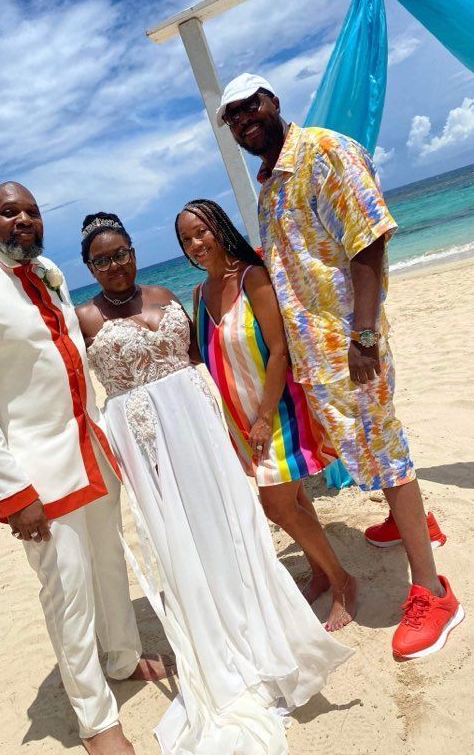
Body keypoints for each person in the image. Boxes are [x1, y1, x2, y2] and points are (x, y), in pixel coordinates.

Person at [76, 212, 353, 755]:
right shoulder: (82, 316)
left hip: (201, 424)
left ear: (134, 249)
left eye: (121, 252)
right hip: (146, 440)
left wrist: (238, 419)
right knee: (182, 536)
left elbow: (209, 356)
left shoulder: (170, 293)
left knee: (232, 521)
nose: (114, 265)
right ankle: (220, 634)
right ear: (89, 267)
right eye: (101, 260)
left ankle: (282, 605)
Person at [218, 72, 462, 659]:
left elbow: (369, 242)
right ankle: (414, 526)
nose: (244, 119)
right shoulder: (270, 184)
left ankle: (433, 592)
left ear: (272, 101)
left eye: (250, 106)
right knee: (364, 449)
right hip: (315, 355)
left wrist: (364, 334)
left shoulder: (325, 152)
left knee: (385, 450)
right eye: (232, 116)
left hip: (348, 346)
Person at [0, 182, 171, 755]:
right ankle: (96, 720)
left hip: (89, 451)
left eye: (32, 212)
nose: (24, 221)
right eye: (10, 213)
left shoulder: (47, 272)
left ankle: (122, 658)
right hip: (36, 471)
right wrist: (14, 492)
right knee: (69, 590)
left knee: (108, 564)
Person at [175, 198, 358, 631]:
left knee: (276, 505)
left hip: (277, 411)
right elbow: (202, 355)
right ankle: (318, 571)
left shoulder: (252, 277)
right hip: (239, 420)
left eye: (201, 231)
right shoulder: (200, 294)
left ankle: (343, 581)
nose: (196, 243)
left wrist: (262, 417)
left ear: (219, 227)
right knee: (293, 499)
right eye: (186, 239)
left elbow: (278, 351)